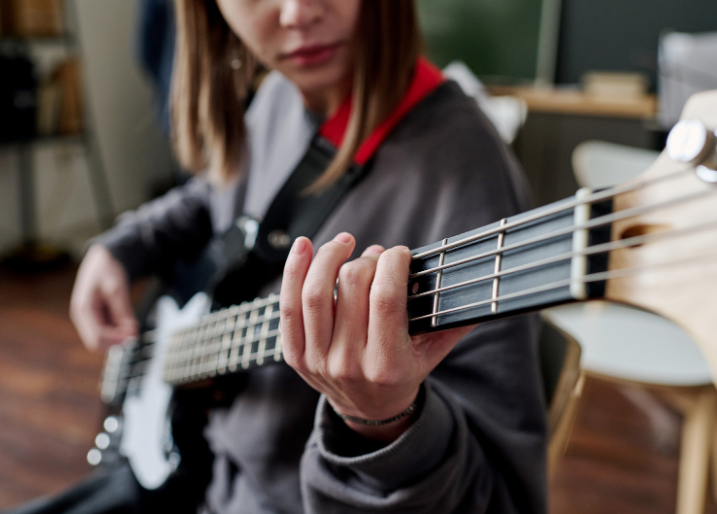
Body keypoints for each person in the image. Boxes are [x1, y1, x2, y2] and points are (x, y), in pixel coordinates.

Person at [13, 1, 547, 513]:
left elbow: (500, 499)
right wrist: (121, 246)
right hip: (191, 468)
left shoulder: (468, 166)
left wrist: (384, 423)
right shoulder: (277, 97)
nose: (298, 12)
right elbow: (214, 191)